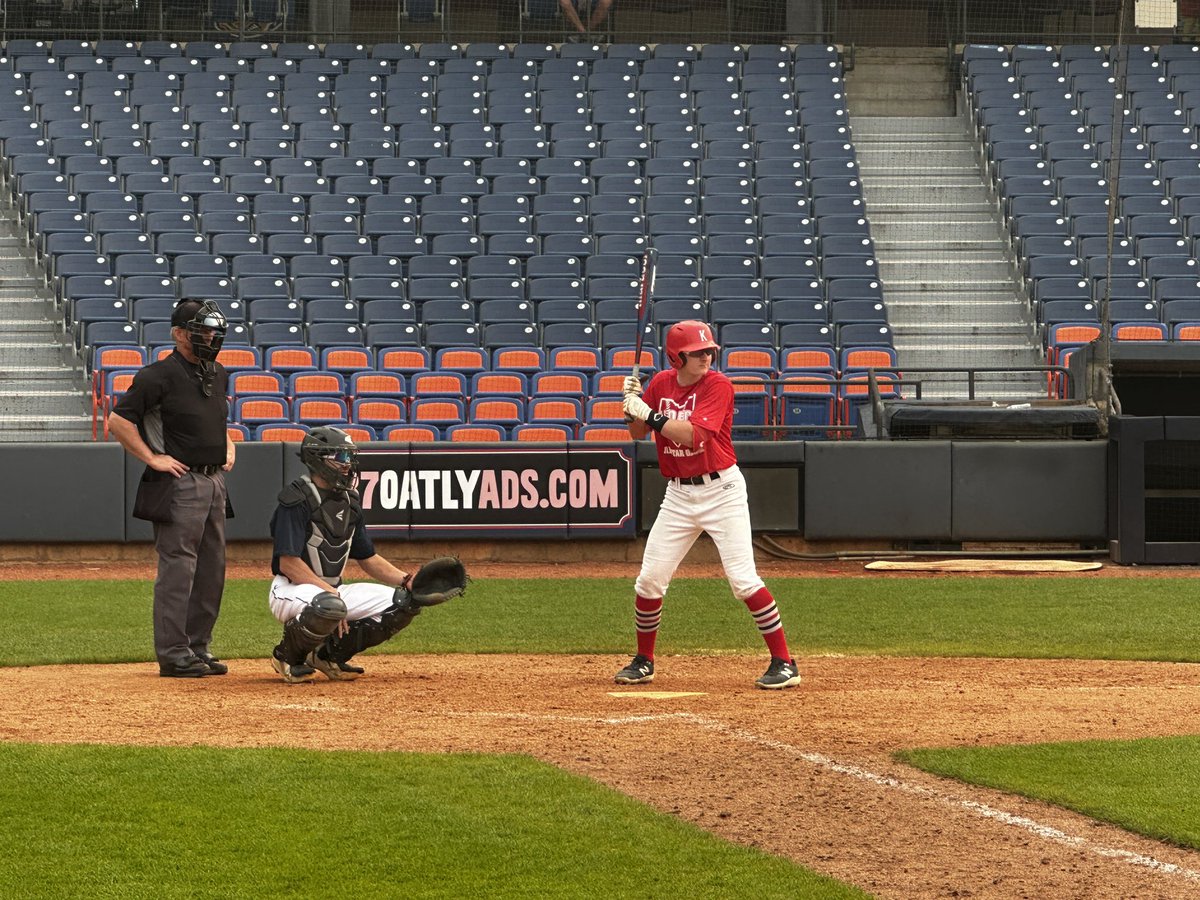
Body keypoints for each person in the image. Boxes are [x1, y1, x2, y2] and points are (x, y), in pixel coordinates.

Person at [617, 320, 803, 690]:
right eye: (698, 352)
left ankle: (784, 662)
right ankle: (644, 660)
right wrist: (630, 407)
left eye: (709, 351)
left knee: (743, 581)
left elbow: (695, 437)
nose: (706, 357)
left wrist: (648, 413)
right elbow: (638, 433)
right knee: (649, 580)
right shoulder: (661, 384)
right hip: (678, 494)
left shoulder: (718, 385)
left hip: (722, 491)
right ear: (677, 357)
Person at [267, 426, 455, 684]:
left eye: (349, 456)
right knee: (330, 606)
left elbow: (368, 558)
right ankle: (287, 657)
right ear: (317, 459)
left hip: (331, 592)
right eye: (341, 457)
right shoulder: (296, 499)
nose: (348, 464)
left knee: (404, 603)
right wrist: (328, 592)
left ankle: (327, 655)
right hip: (290, 589)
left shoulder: (350, 501)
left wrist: (407, 580)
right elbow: (288, 564)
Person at [108, 299, 235, 678]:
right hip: (180, 483)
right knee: (179, 568)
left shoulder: (218, 372)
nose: (210, 337)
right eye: (202, 330)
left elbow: (215, 419)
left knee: (212, 569)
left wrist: (227, 444)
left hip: (214, 481)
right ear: (179, 334)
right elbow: (118, 421)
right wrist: (153, 457)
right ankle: (174, 653)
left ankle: (198, 647)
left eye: (213, 331)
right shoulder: (157, 375)